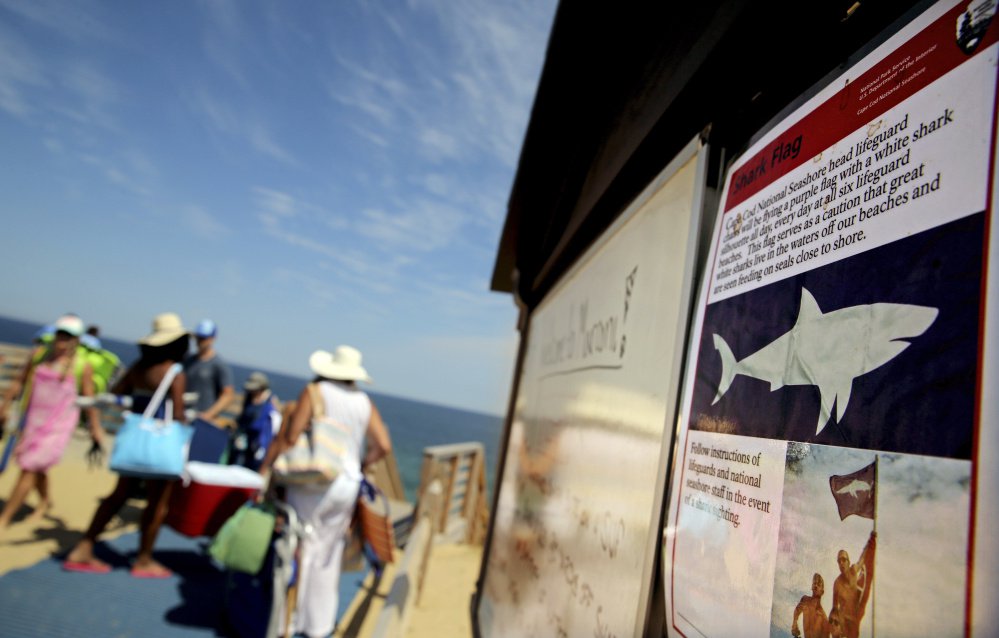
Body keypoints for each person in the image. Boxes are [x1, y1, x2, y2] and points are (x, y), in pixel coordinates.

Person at [259, 345, 391, 638]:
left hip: (314, 481)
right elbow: (383, 445)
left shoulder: (316, 391)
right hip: (348, 484)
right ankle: (318, 626)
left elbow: (291, 436)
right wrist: (358, 464)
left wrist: (268, 470)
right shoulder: (363, 401)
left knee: (301, 548)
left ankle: (287, 622)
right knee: (329, 552)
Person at [63, 312, 190, 577]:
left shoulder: (138, 368)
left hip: (134, 441)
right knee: (156, 504)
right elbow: (177, 415)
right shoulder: (175, 373)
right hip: (159, 446)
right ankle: (143, 558)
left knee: (118, 495)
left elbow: (117, 394)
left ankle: (85, 546)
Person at [0, 315, 104, 531]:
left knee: (28, 468)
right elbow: (20, 381)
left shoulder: (82, 367)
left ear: (76, 339)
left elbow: (89, 400)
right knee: (36, 468)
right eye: (60, 333)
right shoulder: (38, 356)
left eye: (68, 335)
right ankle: (45, 501)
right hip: (32, 422)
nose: (62, 339)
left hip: (58, 427)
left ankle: (5, 518)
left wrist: (95, 428)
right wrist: (6, 405)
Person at [183, 319, 235, 422]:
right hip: (183, 415)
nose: (200, 341)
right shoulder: (188, 360)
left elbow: (228, 394)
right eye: (199, 337)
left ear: (213, 339)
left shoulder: (218, 365)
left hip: (202, 420)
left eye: (204, 338)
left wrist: (208, 415)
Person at [228, 371, 281, 471]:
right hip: (243, 439)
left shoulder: (270, 403)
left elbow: (273, 428)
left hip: (258, 444)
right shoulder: (249, 399)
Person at [831, 531, 876, 638]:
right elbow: (834, 608)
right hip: (843, 624)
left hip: (854, 622)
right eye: (839, 561)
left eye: (843, 560)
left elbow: (862, 559)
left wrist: (870, 543)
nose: (841, 563)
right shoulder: (837, 583)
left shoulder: (854, 570)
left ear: (848, 561)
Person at [792, 572, 830, 638]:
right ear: (811, 586)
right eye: (814, 583)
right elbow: (797, 611)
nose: (816, 586)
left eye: (819, 584)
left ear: (822, 591)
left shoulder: (823, 618)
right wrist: (794, 623)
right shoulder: (805, 599)